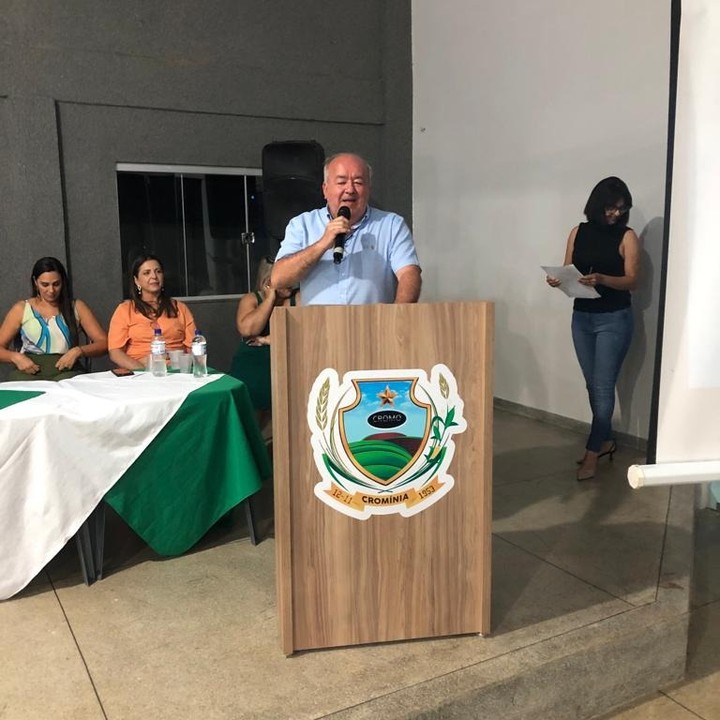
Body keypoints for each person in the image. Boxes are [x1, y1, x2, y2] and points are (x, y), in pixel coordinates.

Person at [546, 177, 640, 481]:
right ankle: (607, 440)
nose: (615, 214)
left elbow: (632, 280)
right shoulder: (578, 232)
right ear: (597, 205)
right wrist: (557, 280)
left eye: (621, 208)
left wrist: (602, 279)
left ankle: (592, 452)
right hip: (582, 317)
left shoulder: (627, 236)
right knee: (593, 386)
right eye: (611, 207)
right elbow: (568, 269)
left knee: (602, 387)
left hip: (614, 318)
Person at [270, 152, 421, 304]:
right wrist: (322, 244)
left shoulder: (391, 225)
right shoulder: (302, 224)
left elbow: (409, 274)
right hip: (318, 319)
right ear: (325, 189)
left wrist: (398, 315)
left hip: (374, 319)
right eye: (341, 182)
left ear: (369, 189)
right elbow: (279, 279)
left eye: (358, 182)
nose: (350, 189)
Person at [0, 257, 108, 381]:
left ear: (63, 282)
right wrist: (15, 357)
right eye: (45, 285)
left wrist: (79, 351)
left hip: (67, 371)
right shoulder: (22, 309)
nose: (51, 290)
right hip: (29, 371)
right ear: (35, 282)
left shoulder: (76, 307)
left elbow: (103, 343)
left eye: (56, 284)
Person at [230, 258, 298, 426]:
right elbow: (248, 330)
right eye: (285, 277)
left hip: (287, 360)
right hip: (254, 363)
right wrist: (269, 299)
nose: (290, 282)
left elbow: (305, 332)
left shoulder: (298, 298)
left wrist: (268, 340)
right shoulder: (251, 299)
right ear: (268, 280)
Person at [108, 254, 197, 370]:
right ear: (136, 281)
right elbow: (115, 352)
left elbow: (193, 347)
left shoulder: (180, 308)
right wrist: (142, 371)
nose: (154, 276)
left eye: (158, 271)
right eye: (146, 273)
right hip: (138, 371)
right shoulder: (125, 310)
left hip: (175, 370)